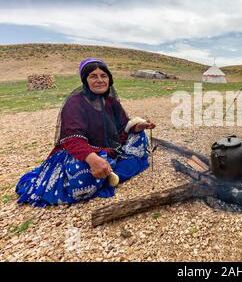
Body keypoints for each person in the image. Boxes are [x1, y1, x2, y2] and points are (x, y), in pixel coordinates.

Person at [16, 58, 156, 206]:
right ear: (85, 80)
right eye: (93, 76)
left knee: (139, 136)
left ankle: (107, 171)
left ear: (109, 79)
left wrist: (139, 126)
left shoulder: (111, 102)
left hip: (108, 150)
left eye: (103, 76)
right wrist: (93, 159)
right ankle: (109, 171)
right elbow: (72, 139)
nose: (100, 80)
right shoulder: (74, 103)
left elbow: (123, 126)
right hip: (81, 153)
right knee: (82, 175)